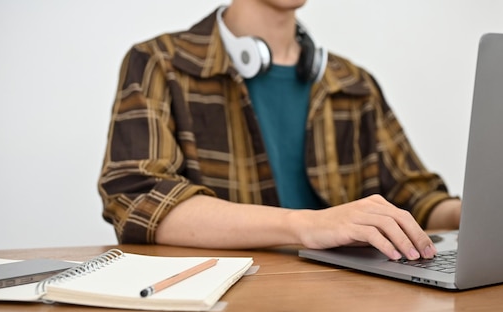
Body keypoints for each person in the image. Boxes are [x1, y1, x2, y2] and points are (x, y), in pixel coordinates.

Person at [98, 0, 461, 261]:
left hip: (347, 306)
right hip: (224, 309)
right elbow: (137, 199)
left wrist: (470, 214)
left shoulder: (354, 84)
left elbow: (415, 197)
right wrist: (308, 224)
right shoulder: (160, 63)